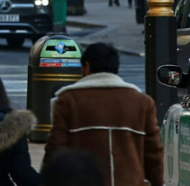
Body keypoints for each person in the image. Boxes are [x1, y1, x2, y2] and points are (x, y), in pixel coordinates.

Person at [44, 43, 162, 186]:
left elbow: (56, 149)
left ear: (86, 67)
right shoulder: (143, 103)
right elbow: (153, 154)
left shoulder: (68, 101)